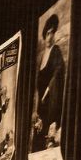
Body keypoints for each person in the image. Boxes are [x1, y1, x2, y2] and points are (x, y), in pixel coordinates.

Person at [33, 13, 65, 152]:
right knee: (38, 138)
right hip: (41, 104)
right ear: (44, 34)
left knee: (49, 139)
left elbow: (59, 71)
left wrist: (49, 89)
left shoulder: (56, 50)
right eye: (47, 33)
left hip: (52, 101)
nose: (50, 37)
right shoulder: (41, 57)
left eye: (52, 33)